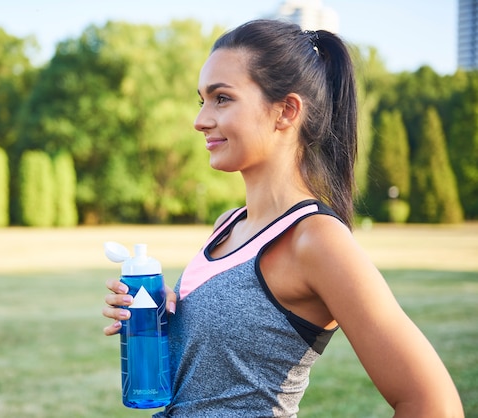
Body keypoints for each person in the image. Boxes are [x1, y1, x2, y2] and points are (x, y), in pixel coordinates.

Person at [102, 19, 464, 417]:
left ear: (286, 111)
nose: (200, 119)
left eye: (222, 98)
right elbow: (215, 384)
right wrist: (160, 324)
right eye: (201, 100)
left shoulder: (317, 239)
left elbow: (433, 404)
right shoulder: (228, 225)